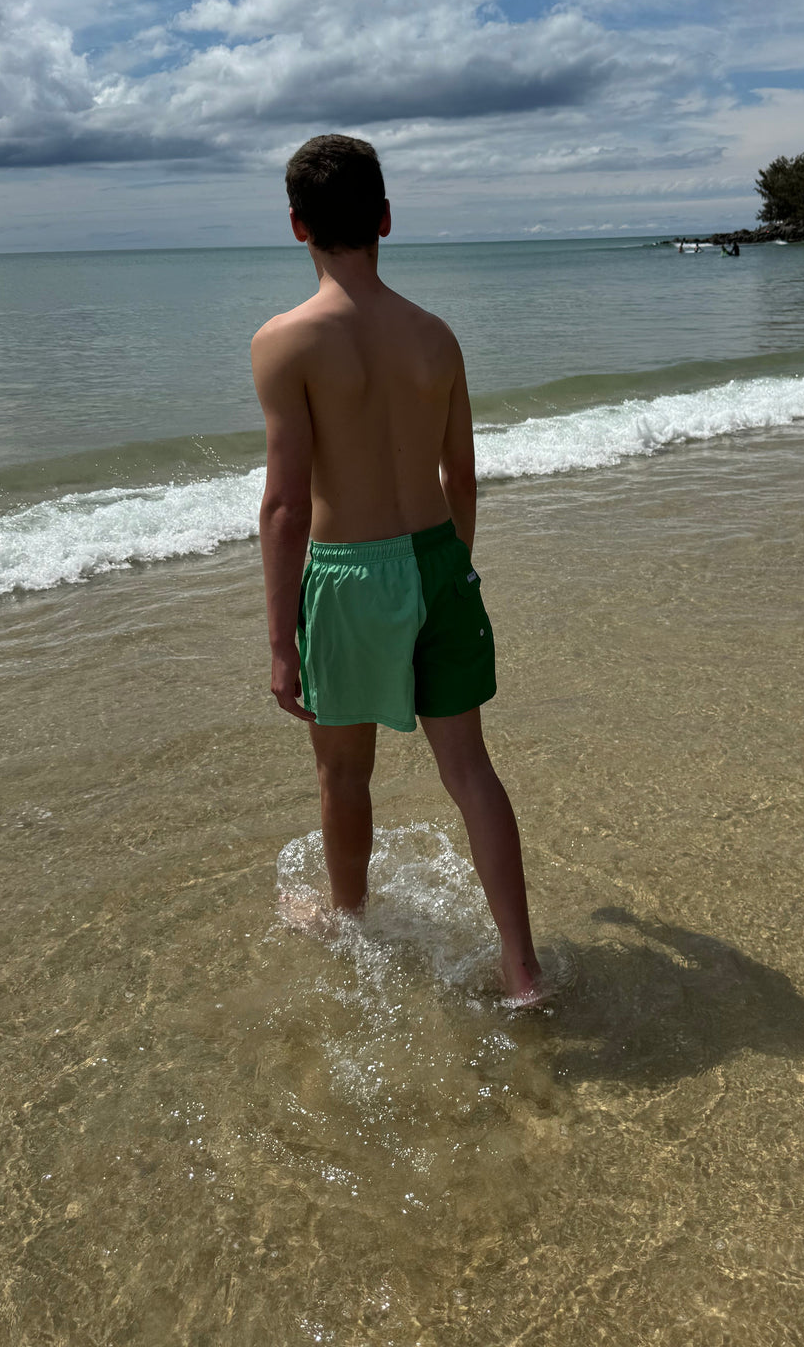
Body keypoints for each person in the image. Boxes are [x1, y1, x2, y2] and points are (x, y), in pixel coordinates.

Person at [251, 134, 542, 1004]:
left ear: (296, 225)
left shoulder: (285, 342)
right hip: (440, 560)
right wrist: (451, 567)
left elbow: (286, 506)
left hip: (347, 577)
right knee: (470, 772)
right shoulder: (435, 336)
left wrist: (278, 640)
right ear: (385, 218)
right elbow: (463, 476)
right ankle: (522, 968)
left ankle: (348, 923)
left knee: (345, 776)